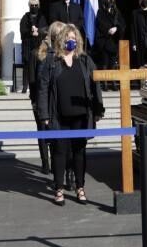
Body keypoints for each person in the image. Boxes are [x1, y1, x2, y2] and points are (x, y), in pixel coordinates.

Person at [36, 21, 103, 205]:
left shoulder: (85, 60)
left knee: (79, 152)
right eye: (67, 38)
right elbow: (43, 89)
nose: (70, 41)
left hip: (81, 115)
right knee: (59, 152)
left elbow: (95, 85)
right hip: (59, 115)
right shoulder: (52, 61)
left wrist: (98, 109)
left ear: (78, 41)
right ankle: (58, 189)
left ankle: (80, 188)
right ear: (61, 40)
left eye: (73, 38)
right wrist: (44, 115)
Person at [20, 0, 48, 169]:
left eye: (36, 5)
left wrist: (40, 32)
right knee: (42, 132)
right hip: (29, 46)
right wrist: (31, 31)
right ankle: (45, 163)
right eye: (32, 5)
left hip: (49, 100)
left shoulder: (42, 17)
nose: (34, 7)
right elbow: (22, 30)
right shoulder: (25, 17)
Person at [93, 0, 125, 68]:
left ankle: (113, 79)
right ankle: (104, 80)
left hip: (114, 42)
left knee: (113, 65)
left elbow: (122, 24)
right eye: (106, 1)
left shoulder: (116, 12)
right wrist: (108, 30)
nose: (108, 2)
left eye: (109, 0)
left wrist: (116, 28)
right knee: (104, 64)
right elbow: (100, 24)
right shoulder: (100, 12)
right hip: (104, 42)